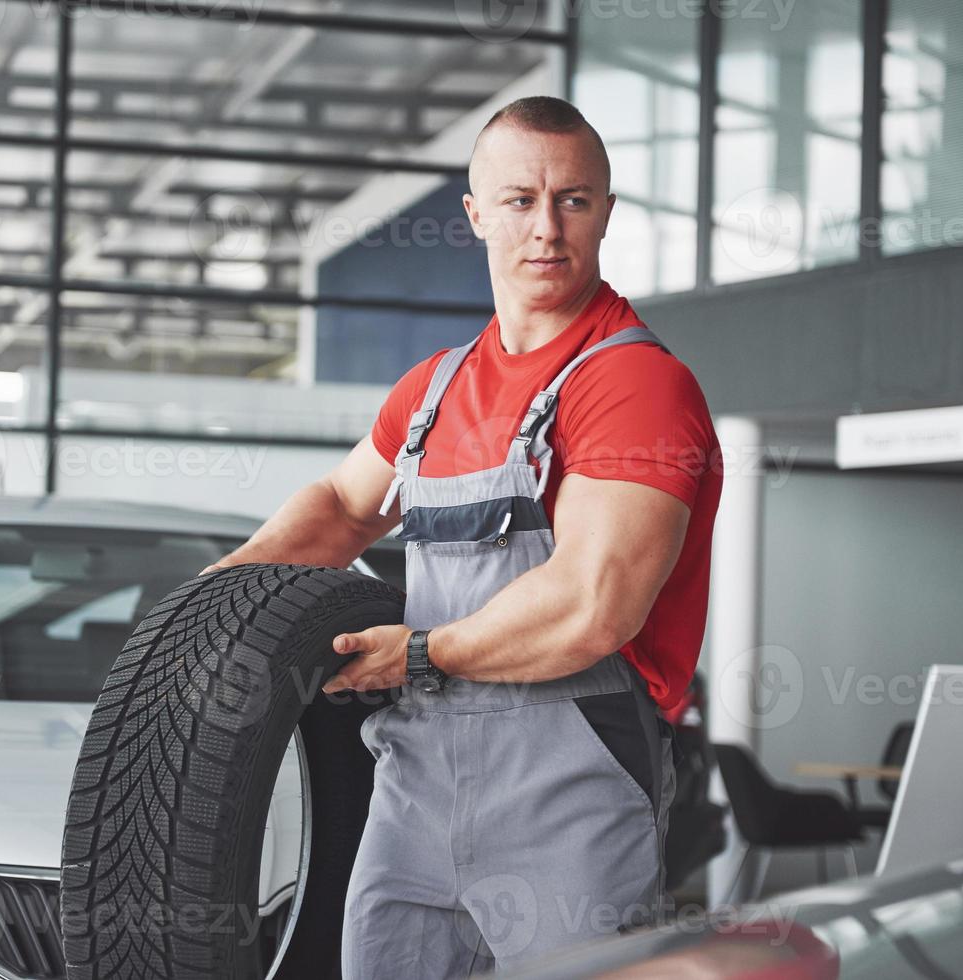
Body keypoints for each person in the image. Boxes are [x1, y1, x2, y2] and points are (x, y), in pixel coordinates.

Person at [203, 96, 723, 978]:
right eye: (519, 200)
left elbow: (591, 606)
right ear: (476, 214)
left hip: (569, 792)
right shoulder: (433, 391)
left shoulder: (633, 383)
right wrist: (207, 610)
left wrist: (416, 654)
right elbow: (340, 505)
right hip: (413, 791)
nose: (546, 228)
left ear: (605, 210)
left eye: (574, 200)